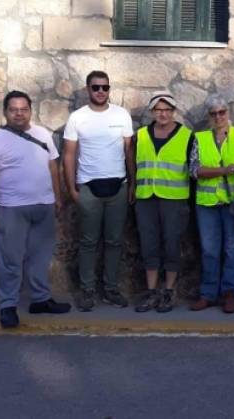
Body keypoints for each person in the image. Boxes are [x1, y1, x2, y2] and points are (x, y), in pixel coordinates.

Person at [0, 90, 71, 329]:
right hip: (10, 209)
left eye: (23, 109)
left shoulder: (42, 134)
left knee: (40, 257)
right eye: (14, 109)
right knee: (10, 260)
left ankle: (40, 300)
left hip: (43, 207)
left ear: (30, 111)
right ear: (5, 112)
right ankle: (8, 306)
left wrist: (57, 198)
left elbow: (52, 167)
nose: (19, 114)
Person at [63, 70, 135, 311]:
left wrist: (133, 184)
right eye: (96, 88)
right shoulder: (77, 118)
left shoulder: (122, 115)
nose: (101, 91)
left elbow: (129, 152)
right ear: (88, 90)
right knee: (88, 242)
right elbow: (69, 154)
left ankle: (111, 288)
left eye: (105, 87)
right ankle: (87, 290)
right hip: (88, 190)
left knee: (114, 241)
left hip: (118, 188)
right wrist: (72, 189)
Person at [190, 95, 234, 314]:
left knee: (233, 249)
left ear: (228, 112)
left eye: (222, 112)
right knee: (209, 250)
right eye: (213, 113)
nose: (218, 117)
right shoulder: (200, 138)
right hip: (207, 203)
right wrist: (223, 170)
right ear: (208, 116)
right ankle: (208, 294)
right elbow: (195, 170)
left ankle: (230, 293)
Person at [133, 91, 193, 313]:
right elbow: (133, 164)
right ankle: (151, 292)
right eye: (159, 110)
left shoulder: (187, 136)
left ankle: (168, 291)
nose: (163, 114)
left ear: (173, 112)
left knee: (171, 245)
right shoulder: (140, 135)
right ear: (152, 112)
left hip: (174, 200)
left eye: (167, 110)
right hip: (146, 197)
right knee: (149, 244)